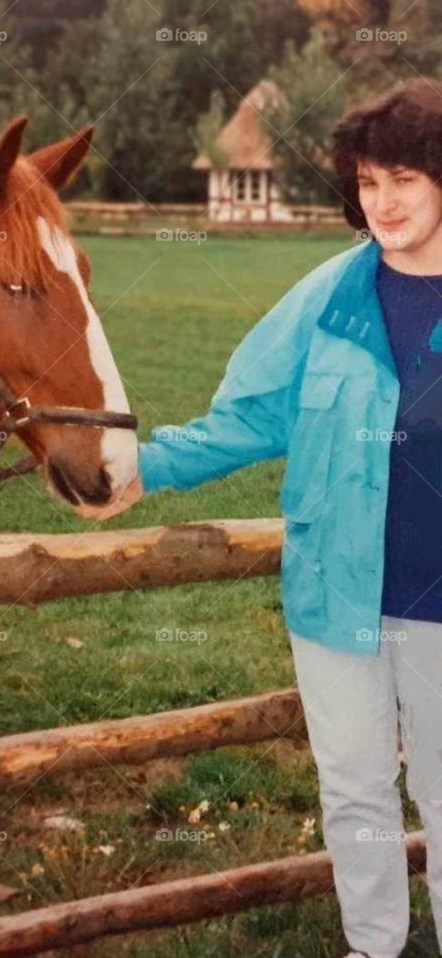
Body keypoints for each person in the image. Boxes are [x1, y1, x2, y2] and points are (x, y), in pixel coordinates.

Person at [127, 78, 442, 958]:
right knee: (354, 788)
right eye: (369, 181)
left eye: (405, 179)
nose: (383, 202)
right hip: (335, 595)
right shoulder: (330, 296)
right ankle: (372, 944)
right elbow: (252, 415)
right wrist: (144, 467)